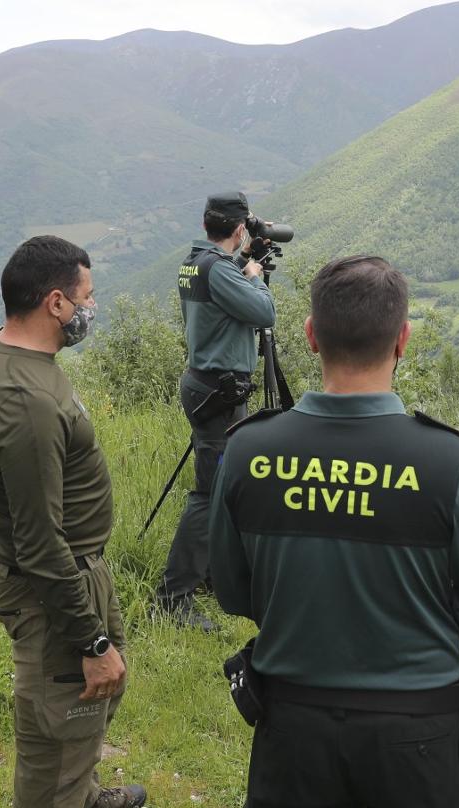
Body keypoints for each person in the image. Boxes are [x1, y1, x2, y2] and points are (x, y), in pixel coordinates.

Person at [209, 255, 459, 808]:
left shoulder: (248, 450)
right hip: (421, 728)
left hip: (292, 723)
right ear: (402, 340)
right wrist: (415, 621)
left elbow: (230, 590)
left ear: (309, 337)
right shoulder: (447, 460)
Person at [0, 236, 145, 808]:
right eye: (89, 296)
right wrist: (88, 641)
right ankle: (58, 807)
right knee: (58, 729)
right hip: (55, 584)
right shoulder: (25, 399)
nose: (94, 307)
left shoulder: (9, 359)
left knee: (91, 704)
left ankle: (82, 796)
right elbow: (39, 542)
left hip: (77, 571)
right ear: (57, 303)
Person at [154, 191, 276, 631]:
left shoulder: (195, 261)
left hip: (207, 384)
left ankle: (208, 575)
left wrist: (242, 267)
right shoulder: (220, 270)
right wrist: (256, 274)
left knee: (222, 485)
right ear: (240, 229)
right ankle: (173, 599)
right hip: (219, 390)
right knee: (209, 493)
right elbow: (264, 312)